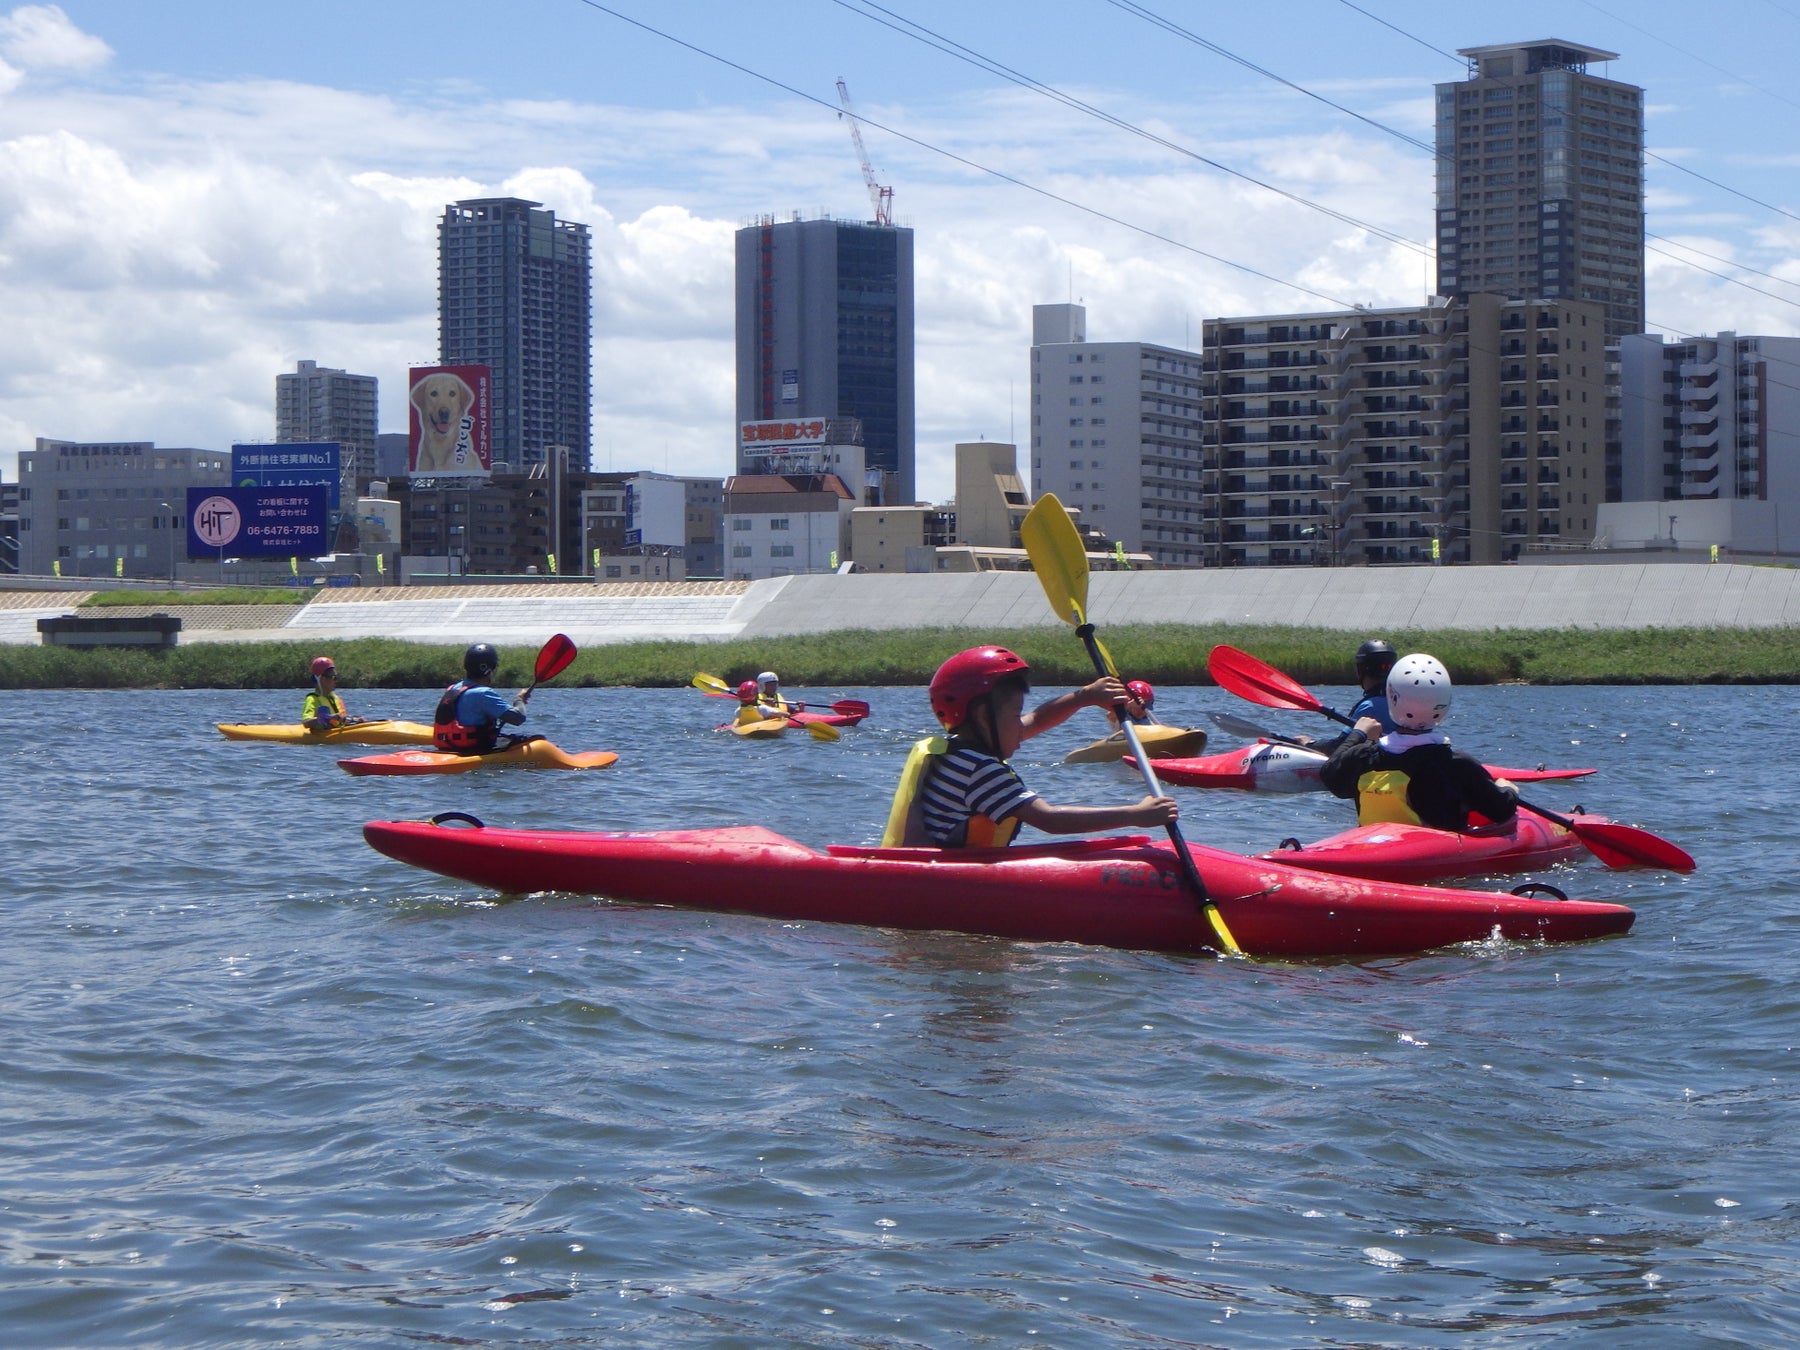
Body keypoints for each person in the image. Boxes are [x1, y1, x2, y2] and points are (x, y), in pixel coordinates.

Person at [909, 646, 1179, 848]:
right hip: (952, 874)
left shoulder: (957, 752)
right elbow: (1050, 820)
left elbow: (1037, 719)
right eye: (1016, 715)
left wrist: (1084, 697)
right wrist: (1136, 814)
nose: (1022, 724)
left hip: (946, 862)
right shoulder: (981, 769)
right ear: (983, 718)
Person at [1319, 652, 1518, 833]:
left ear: (1391, 696)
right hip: (1432, 856)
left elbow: (1330, 774)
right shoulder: (1457, 764)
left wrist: (1359, 734)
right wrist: (1508, 789)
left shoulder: (1364, 756)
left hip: (1373, 845)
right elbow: (1502, 812)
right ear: (1443, 703)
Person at [1300, 639, 1399, 751]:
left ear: (1360, 670)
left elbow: (1339, 746)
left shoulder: (1369, 706)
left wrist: (1309, 743)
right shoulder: (1402, 699)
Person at [433, 642, 529, 753]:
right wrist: (519, 699)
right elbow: (518, 718)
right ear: (488, 670)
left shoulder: (452, 689)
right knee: (533, 740)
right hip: (472, 749)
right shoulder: (483, 693)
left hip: (448, 746)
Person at [301, 655, 358, 732]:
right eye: (333, 677)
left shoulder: (336, 699)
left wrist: (355, 720)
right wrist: (323, 719)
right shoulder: (312, 699)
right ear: (322, 679)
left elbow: (342, 722)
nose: (336, 680)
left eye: (336, 677)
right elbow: (306, 723)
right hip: (321, 737)